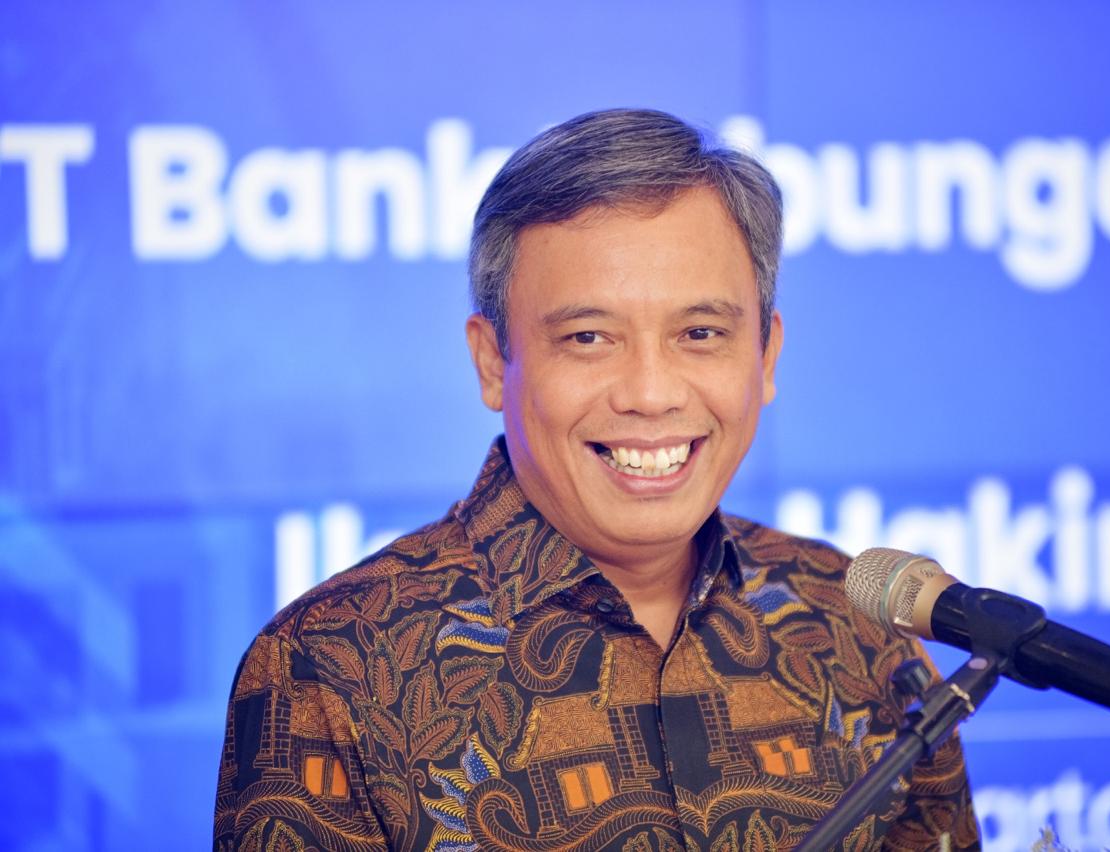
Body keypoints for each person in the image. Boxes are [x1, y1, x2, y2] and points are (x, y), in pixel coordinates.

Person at [214, 108, 980, 851]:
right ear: (492, 362)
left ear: (766, 356)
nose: (651, 393)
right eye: (589, 338)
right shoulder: (330, 667)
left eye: (700, 333)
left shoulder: (854, 629)